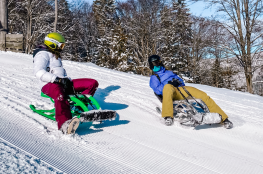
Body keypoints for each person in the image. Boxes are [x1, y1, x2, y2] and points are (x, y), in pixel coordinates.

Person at [33, 32, 99, 134]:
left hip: (63, 83)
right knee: (60, 94)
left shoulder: (56, 55)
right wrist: (57, 79)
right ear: (53, 43)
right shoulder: (42, 54)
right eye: (61, 45)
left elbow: (60, 72)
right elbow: (38, 72)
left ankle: (78, 108)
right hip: (49, 85)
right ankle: (65, 124)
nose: (62, 48)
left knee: (92, 83)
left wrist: (65, 80)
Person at [148, 55, 233, 129]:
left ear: (159, 62)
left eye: (155, 63)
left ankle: (223, 118)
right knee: (167, 87)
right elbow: (158, 90)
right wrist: (169, 83)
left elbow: (181, 81)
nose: (154, 67)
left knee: (200, 94)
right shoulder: (154, 77)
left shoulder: (169, 72)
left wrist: (177, 82)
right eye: (152, 65)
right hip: (168, 93)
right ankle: (167, 116)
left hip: (179, 90)